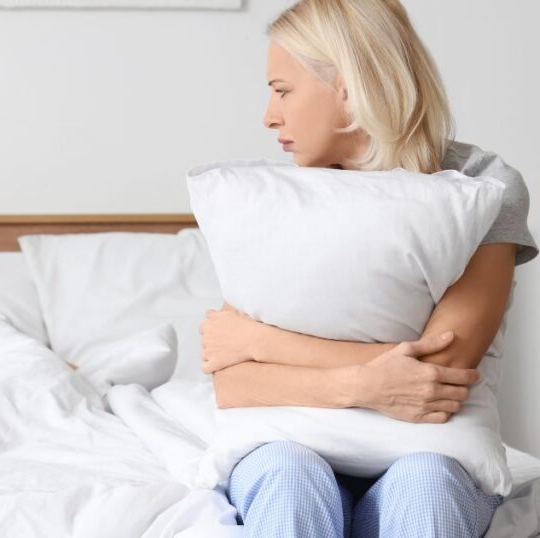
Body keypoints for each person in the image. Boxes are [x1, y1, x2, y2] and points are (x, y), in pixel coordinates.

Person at [197, 0, 537, 536]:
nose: (269, 116)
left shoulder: (482, 183)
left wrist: (263, 342)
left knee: (425, 485)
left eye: (282, 90)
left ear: (348, 89)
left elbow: (440, 370)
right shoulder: (274, 196)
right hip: (289, 447)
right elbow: (235, 382)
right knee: (288, 478)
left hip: (431, 451)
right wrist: (362, 384)